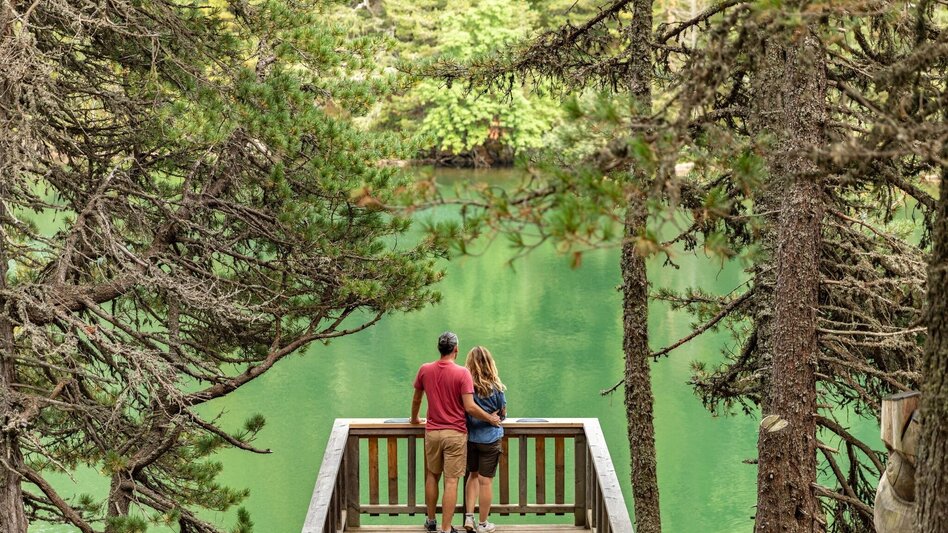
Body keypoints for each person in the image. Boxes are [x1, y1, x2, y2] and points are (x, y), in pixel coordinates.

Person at [411, 332, 501, 533]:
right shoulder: (462, 373)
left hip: (432, 431)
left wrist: (415, 419)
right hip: (455, 433)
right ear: (456, 349)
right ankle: (445, 528)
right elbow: (469, 407)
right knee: (451, 481)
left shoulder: (425, 370)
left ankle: (431, 520)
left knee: (432, 475)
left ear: (439, 348)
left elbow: (417, 398)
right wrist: (490, 418)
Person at [462, 346, 506, 533]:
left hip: (471, 437)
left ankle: (469, 518)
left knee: (472, 476)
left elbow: (464, 409)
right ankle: (483, 524)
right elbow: (502, 414)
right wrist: (494, 416)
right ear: (490, 363)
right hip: (490, 438)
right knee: (485, 481)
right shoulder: (496, 387)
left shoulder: (466, 386)